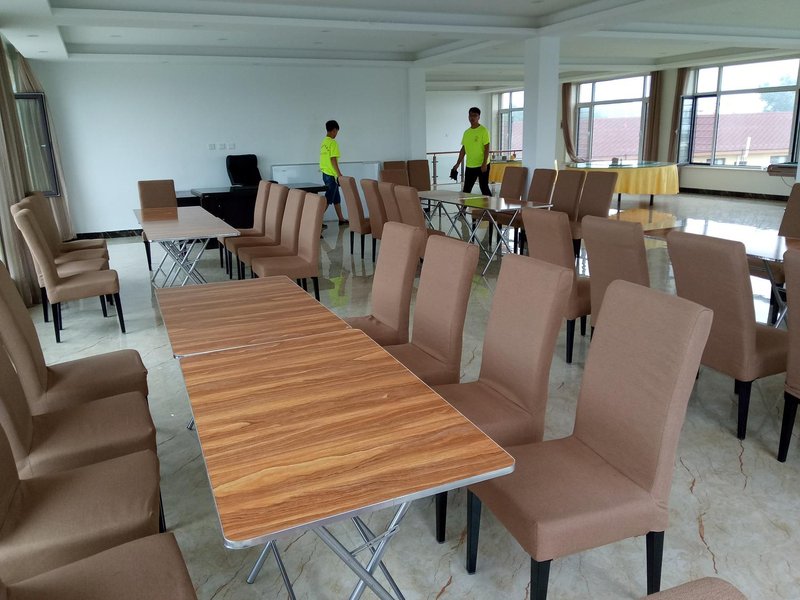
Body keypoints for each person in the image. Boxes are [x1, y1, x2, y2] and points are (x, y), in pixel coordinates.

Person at [453, 107, 491, 196]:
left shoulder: (483, 131)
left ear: (479, 117)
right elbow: (463, 149)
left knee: (484, 187)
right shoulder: (467, 132)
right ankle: (464, 205)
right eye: (470, 115)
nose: (472, 118)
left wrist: (484, 163)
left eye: (475, 115)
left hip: (482, 164)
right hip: (470, 165)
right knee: (466, 189)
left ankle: (491, 205)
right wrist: (458, 163)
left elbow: (487, 148)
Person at [319, 119, 348, 225]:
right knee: (328, 198)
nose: (336, 134)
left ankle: (341, 219)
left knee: (336, 197)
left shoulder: (324, 142)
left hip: (325, 173)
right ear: (334, 130)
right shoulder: (332, 142)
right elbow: (333, 159)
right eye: (336, 132)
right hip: (331, 175)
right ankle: (316, 220)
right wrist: (339, 174)